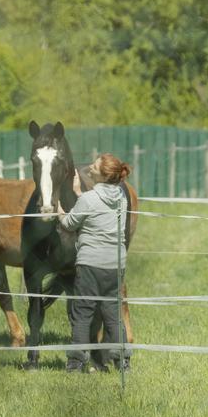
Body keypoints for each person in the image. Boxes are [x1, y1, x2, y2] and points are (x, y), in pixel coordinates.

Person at [58, 153, 132, 373]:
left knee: (82, 313)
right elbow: (95, 205)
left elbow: (70, 224)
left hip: (90, 264)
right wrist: (79, 193)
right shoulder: (121, 197)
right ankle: (122, 361)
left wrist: (57, 209)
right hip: (115, 264)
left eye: (94, 166)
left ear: (102, 175)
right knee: (112, 312)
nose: (90, 167)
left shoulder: (88, 200)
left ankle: (76, 363)